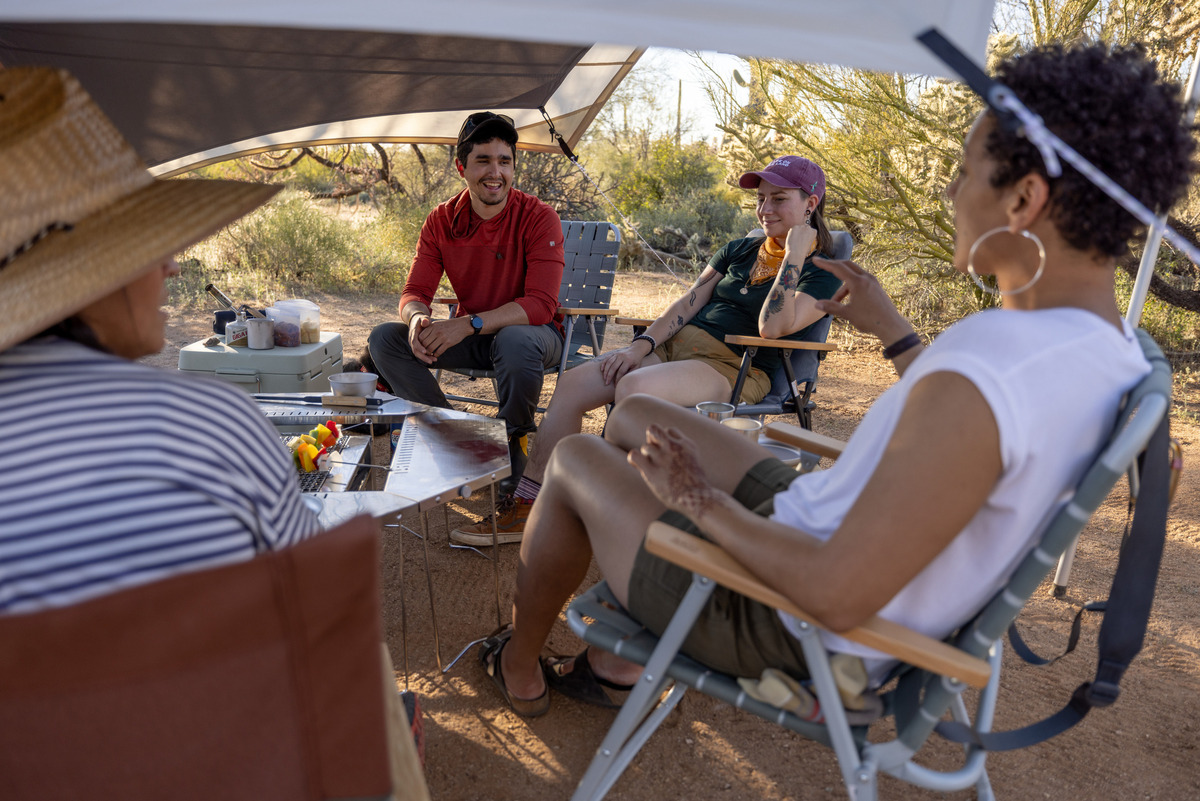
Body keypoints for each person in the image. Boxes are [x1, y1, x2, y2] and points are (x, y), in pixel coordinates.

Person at [473, 43, 1195, 717]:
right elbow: (972, 431)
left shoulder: (988, 368)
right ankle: (611, 661)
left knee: (574, 457)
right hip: (827, 517)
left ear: (1024, 199)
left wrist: (697, 500)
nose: (950, 190)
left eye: (965, 170)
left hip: (784, 615)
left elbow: (833, 592)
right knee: (632, 421)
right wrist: (897, 335)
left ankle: (522, 667)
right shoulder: (1115, 351)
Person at [0, 67, 321, 613]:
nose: (172, 266)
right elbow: (318, 608)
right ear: (95, 269)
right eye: (152, 244)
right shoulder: (213, 425)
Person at [450, 155, 844, 546]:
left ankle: (593, 505)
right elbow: (688, 303)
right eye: (761, 198)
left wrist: (793, 254)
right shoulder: (739, 249)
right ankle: (529, 504)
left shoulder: (824, 269)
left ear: (811, 203)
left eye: (779, 199)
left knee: (634, 391)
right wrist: (640, 347)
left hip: (733, 365)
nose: (764, 209)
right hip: (674, 347)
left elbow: (771, 327)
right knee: (573, 385)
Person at [368, 112, 565, 486]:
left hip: (534, 338)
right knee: (384, 339)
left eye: (504, 161)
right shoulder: (441, 220)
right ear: (462, 167)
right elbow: (414, 293)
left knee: (515, 338)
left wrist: (468, 323)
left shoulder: (539, 217)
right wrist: (415, 320)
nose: (496, 172)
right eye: (483, 161)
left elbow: (541, 304)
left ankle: (511, 443)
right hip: (474, 338)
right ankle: (460, 441)